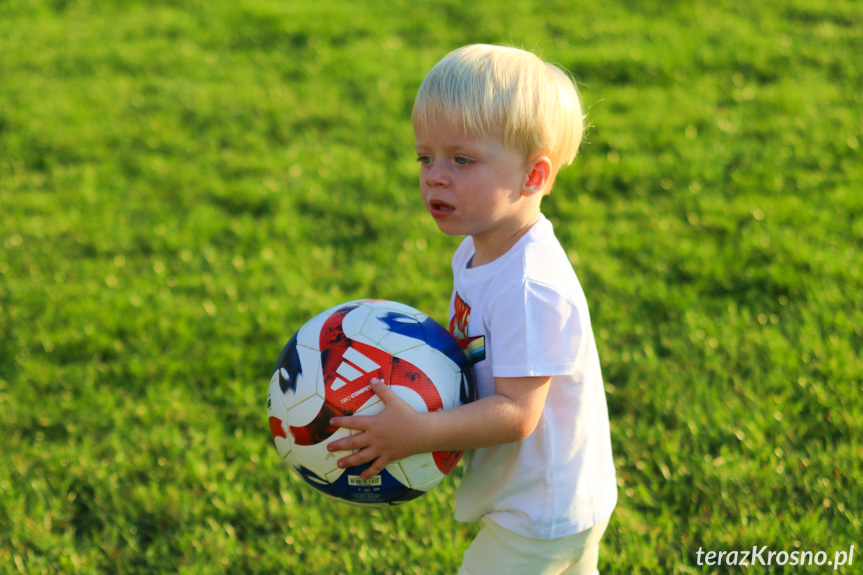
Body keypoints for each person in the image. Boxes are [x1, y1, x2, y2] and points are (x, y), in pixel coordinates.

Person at [327, 44, 617, 575]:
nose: (435, 176)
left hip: (538, 512)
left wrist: (419, 432)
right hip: (550, 496)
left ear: (533, 176)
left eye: (462, 160)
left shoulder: (528, 284)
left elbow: (518, 413)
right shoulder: (477, 248)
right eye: (425, 157)